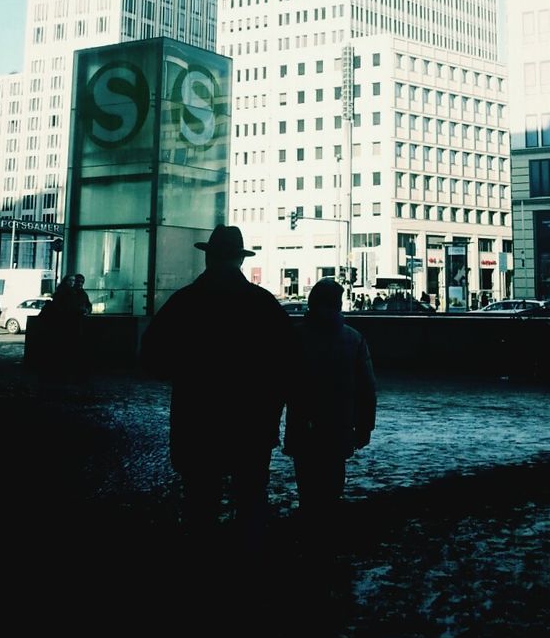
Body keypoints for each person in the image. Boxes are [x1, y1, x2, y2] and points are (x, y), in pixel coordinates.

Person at [139, 224, 296, 552]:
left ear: (208, 258)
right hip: (251, 424)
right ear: (240, 260)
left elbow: (152, 358)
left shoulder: (185, 302)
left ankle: (202, 569)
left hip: (197, 422)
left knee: (199, 502)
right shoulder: (263, 304)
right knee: (251, 500)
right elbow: (289, 364)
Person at [283, 278, 376, 550]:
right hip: (339, 426)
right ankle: (328, 535)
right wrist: (364, 427)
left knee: (307, 484)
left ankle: (308, 534)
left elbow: (280, 383)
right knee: (333, 481)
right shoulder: (354, 338)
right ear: (338, 305)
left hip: (303, 425)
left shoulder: (296, 336)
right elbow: (366, 389)